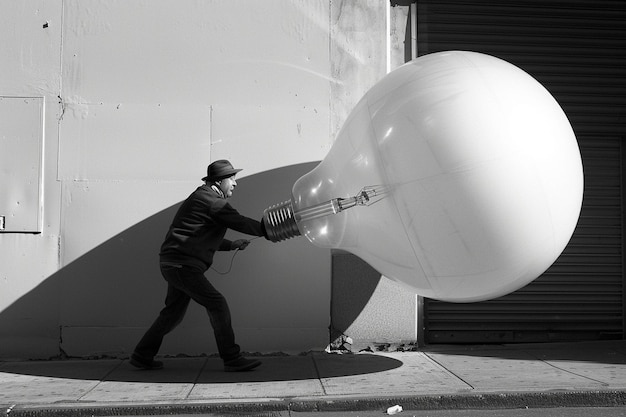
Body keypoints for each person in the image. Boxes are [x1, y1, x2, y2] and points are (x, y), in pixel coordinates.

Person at [130, 160, 269, 372]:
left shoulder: (203, 197)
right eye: (231, 179)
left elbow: (198, 236)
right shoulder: (212, 201)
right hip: (182, 265)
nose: (235, 183)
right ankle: (231, 358)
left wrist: (231, 244)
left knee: (172, 314)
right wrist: (266, 230)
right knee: (217, 304)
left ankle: (141, 356)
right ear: (219, 181)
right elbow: (238, 221)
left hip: (174, 263)